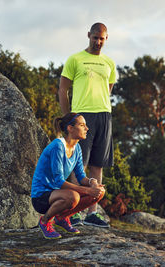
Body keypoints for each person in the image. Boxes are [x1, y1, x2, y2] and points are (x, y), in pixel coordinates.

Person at [58, 22, 116, 228]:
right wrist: (68, 118)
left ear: (106, 38)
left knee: (97, 165)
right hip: (82, 116)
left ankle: (92, 213)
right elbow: (62, 90)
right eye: (95, 37)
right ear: (88, 36)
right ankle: (72, 212)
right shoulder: (75, 59)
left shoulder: (109, 63)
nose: (98, 42)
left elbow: (107, 90)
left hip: (104, 116)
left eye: (102, 38)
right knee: (77, 164)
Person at [31, 113, 105, 239]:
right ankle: (45, 221)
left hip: (57, 194)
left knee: (100, 192)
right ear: (70, 128)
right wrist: (88, 190)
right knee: (73, 196)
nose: (86, 128)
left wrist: (93, 183)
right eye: (82, 125)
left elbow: (81, 177)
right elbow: (59, 181)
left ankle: (61, 217)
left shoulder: (77, 149)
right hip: (41, 196)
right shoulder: (58, 146)